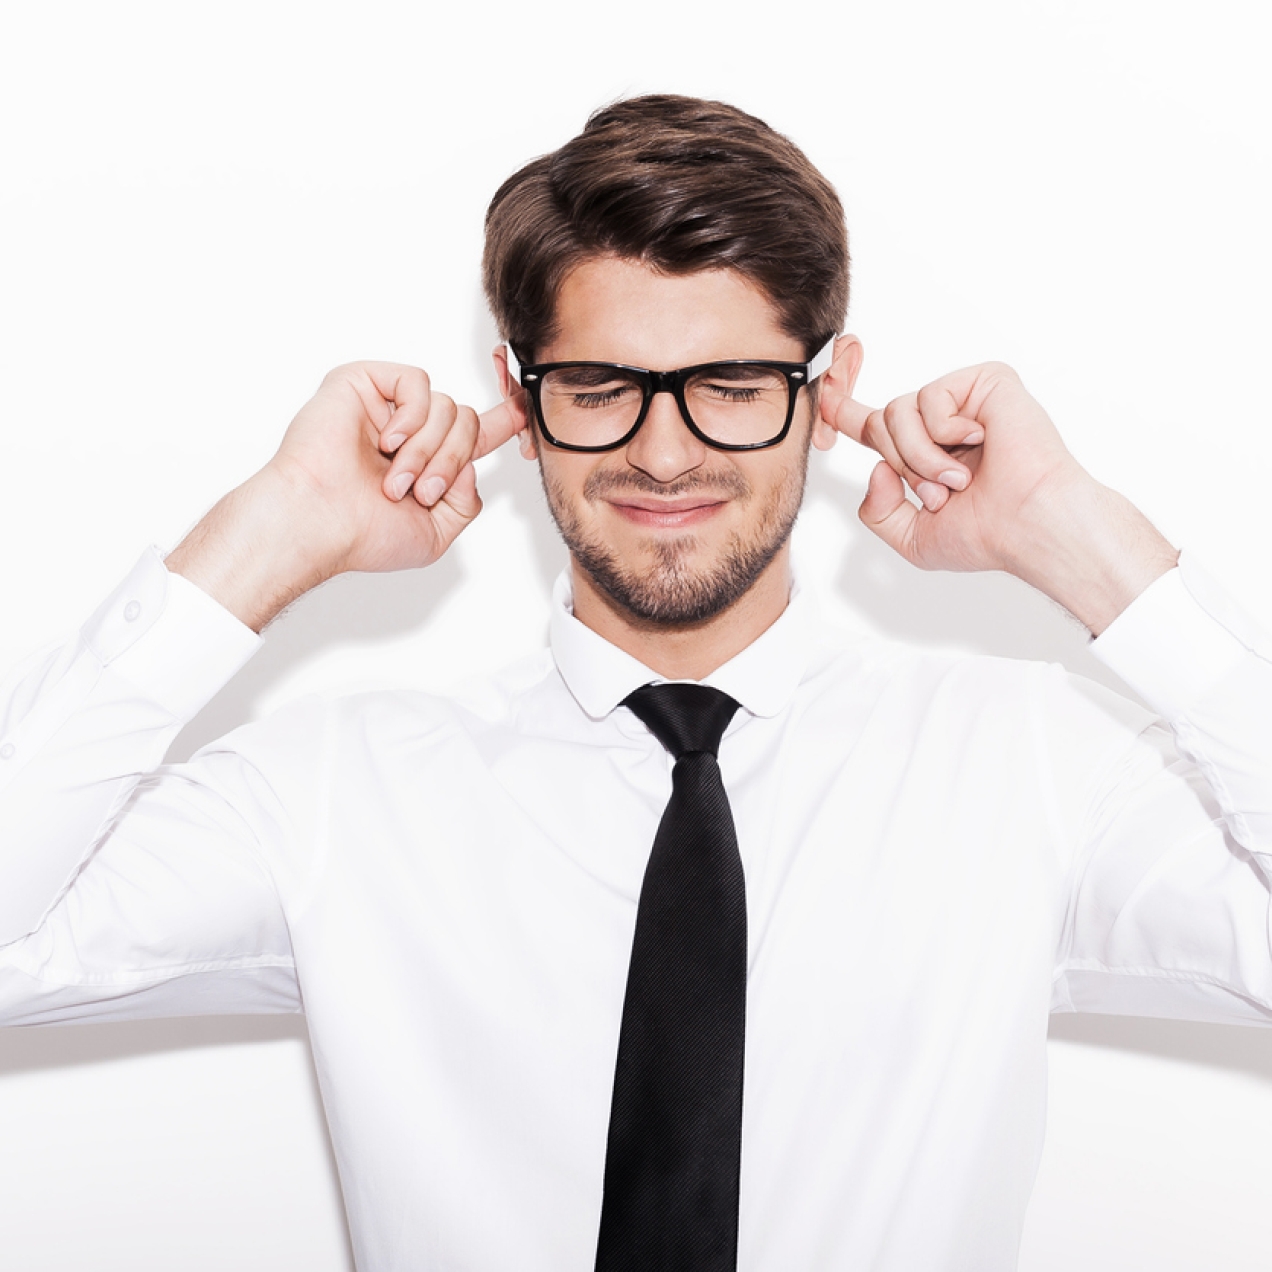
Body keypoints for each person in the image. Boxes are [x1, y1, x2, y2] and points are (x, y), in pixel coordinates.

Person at [0, 93, 1268, 1272]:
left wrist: (1081, 541)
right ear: (519, 393)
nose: (666, 455)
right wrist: (268, 536)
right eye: (601, 388)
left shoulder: (1021, 764)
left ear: (826, 392)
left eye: (731, 386)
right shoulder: (335, 787)